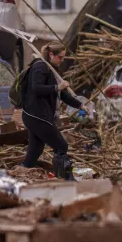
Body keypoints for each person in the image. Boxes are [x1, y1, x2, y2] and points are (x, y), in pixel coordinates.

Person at [21, 42, 85, 179]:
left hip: (36, 116)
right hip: (36, 116)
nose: (61, 61)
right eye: (60, 57)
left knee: (35, 150)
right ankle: (65, 179)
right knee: (61, 146)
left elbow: (62, 94)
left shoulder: (51, 69)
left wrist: (80, 105)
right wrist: (58, 87)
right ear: (51, 54)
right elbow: (36, 88)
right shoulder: (40, 67)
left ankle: (22, 173)